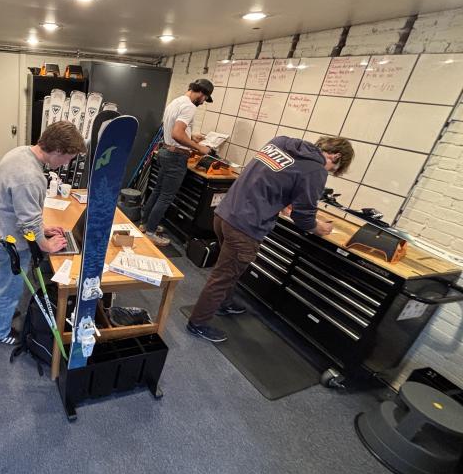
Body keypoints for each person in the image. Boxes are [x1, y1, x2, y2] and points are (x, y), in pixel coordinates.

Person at [186, 136, 355, 343]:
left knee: (229, 268)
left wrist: (282, 202)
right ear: (336, 156)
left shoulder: (282, 142)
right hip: (245, 226)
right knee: (224, 276)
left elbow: (269, 179)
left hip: (225, 214)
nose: (327, 172)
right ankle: (198, 323)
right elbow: (304, 218)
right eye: (332, 170)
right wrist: (320, 228)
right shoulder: (316, 169)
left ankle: (224, 303)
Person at [0, 121, 86, 345]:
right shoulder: (29, 177)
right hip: (10, 241)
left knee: (4, 280)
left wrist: (43, 229)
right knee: (11, 288)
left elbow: (20, 207)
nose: (67, 163)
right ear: (57, 150)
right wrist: (46, 244)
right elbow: (29, 222)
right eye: (68, 158)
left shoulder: (20, 152)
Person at [141, 80, 214, 247]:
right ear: (201, 93)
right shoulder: (189, 106)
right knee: (166, 196)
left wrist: (191, 136)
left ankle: (145, 224)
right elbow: (177, 134)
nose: (203, 102)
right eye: (205, 98)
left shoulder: (176, 102)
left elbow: (174, 130)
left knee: (158, 191)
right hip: (176, 157)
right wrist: (199, 148)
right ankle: (151, 232)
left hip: (166, 151)